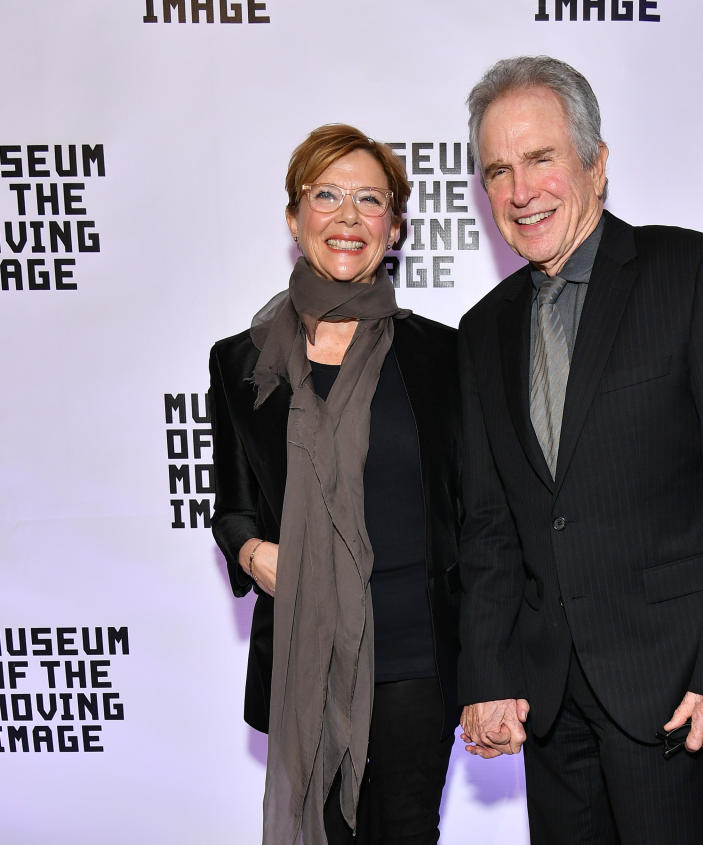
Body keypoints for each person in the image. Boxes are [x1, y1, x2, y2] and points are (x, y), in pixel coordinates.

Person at [456, 56, 703, 845]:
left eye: (541, 159)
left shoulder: (695, 275)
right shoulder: (482, 331)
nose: (520, 190)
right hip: (549, 699)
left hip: (670, 688)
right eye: (498, 170)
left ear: (596, 165)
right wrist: (492, 674)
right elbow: (490, 525)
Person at [209, 124, 460, 845]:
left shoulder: (443, 354)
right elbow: (232, 502)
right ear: (295, 217)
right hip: (305, 651)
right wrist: (252, 550)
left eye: (369, 200)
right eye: (327, 195)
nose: (348, 217)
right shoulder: (240, 362)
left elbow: (475, 511)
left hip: (416, 653)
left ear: (394, 226)